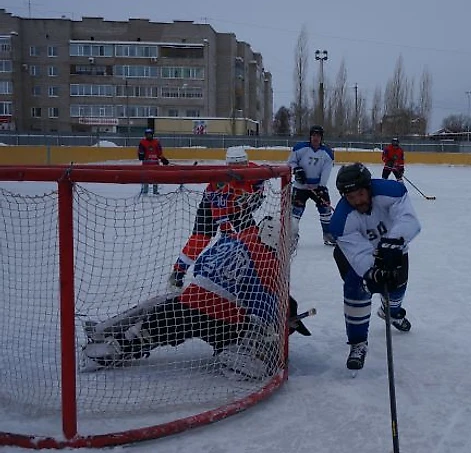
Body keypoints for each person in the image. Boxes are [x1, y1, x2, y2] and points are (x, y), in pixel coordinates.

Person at [81, 215, 312, 380]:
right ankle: (232, 357)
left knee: (153, 317)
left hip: (189, 302)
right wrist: (281, 323)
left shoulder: (237, 238)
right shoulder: (269, 263)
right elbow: (264, 308)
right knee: (262, 360)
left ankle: (107, 336)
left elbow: (201, 265)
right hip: (222, 321)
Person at [329, 162, 421, 370]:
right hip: (356, 255)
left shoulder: (391, 191)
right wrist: (371, 272)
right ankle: (358, 343)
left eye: (360, 194)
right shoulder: (341, 221)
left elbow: (408, 219)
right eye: (350, 197)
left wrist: (395, 241)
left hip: (395, 249)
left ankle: (391, 312)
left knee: (397, 289)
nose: (357, 201)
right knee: (357, 288)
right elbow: (358, 253)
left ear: (368, 187)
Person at [168, 146, 264, 289]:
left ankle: (257, 273)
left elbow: (260, 183)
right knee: (200, 238)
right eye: (234, 166)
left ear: (247, 162)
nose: (238, 169)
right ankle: (178, 272)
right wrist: (225, 229)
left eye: (241, 165)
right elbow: (217, 207)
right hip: (210, 205)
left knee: (252, 236)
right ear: (227, 165)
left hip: (237, 207)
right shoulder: (220, 179)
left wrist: (257, 194)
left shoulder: (255, 171)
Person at [287, 125, 336, 246]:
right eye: (313, 135)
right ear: (310, 136)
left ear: (321, 137)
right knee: (295, 212)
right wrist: (296, 170)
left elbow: (326, 170)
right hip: (300, 187)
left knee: (325, 211)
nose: (315, 138)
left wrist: (321, 186)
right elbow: (290, 162)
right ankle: (291, 236)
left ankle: (327, 234)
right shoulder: (300, 148)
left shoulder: (327, 153)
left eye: (318, 136)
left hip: (318, 187)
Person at [138, 128, 169, 195]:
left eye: (150, 134)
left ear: (152, 135)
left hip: (155, 163)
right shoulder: (142, 142)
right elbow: (140, 152)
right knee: (145, 177)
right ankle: (145, 191)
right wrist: (140, 155)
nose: (148, 136)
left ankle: (155, 191)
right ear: (145, 135)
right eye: (147, 134)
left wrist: (163, 159)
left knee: (155, 177)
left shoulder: (156, 142)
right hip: (146, 163)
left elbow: (159, 152)